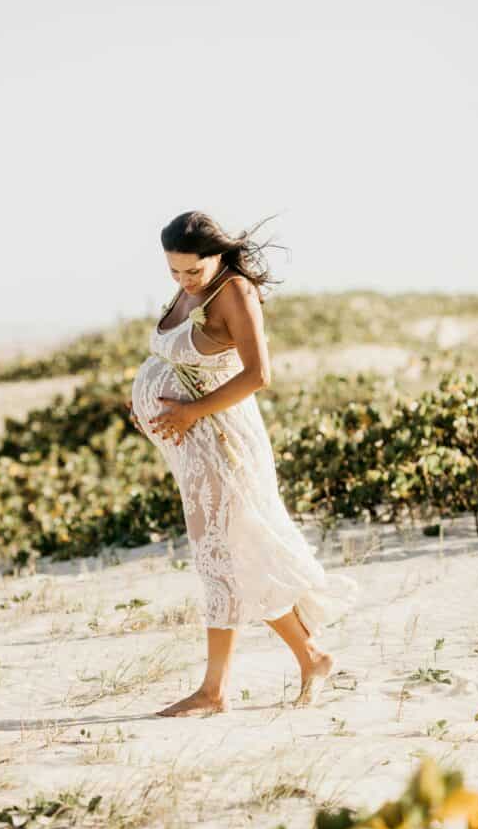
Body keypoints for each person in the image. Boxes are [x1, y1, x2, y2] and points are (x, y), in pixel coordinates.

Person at [128, 211, 357, 717]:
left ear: (217, 255)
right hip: (191, 443)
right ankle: (303, 659)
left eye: (192, 271)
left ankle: (219, 689)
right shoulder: (188, 289)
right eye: (173, 272)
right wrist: (147, 396)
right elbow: (180, 358)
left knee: (228, 554)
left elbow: (258, 375)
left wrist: (187, 410)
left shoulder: (234, 292)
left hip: (222, 440)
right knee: (226, 554)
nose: (183, 281)